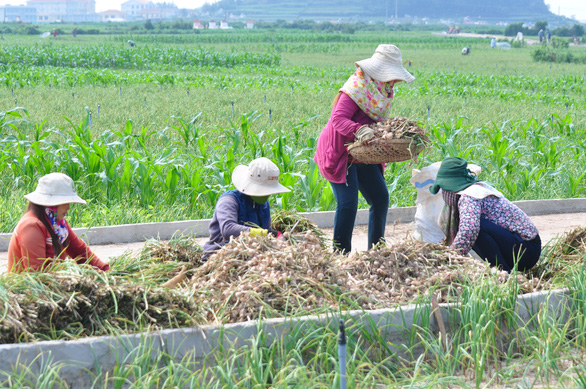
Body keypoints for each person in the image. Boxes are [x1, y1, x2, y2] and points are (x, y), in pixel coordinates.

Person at [314, 44, 415, 253]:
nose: (394, 80)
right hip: (341, 151)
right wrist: (359, 130)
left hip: (364, 152)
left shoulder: (384, 90)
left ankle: (376, 251)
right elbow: (337, 119)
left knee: (380, 197)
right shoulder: (356, 88)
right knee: (348, 204)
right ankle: (341, 254)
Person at [430, 157, 541, 273]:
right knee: (471, 226)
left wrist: (451, 257)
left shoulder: (469, 197)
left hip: (526, 251)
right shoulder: (473, 192)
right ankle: (502, 270)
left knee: (476, 227)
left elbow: (469, 230)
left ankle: (502, 271)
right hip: (523, 248)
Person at [7, 173, 110, 273]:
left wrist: (106, 271)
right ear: (52, 204)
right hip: (30, 288)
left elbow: (80, 251)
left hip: (51, 282)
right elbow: (36, 273)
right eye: (65, 202)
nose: (68, 207)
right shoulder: (31, 227)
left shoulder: (57, 224)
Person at [202, 157, 290, 258]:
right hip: (220, 255)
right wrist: (262, 233)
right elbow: (228, 229)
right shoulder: (229, 200)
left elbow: (266, 230)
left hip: (251, 255)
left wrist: (275, 238)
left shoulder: (264, 205)